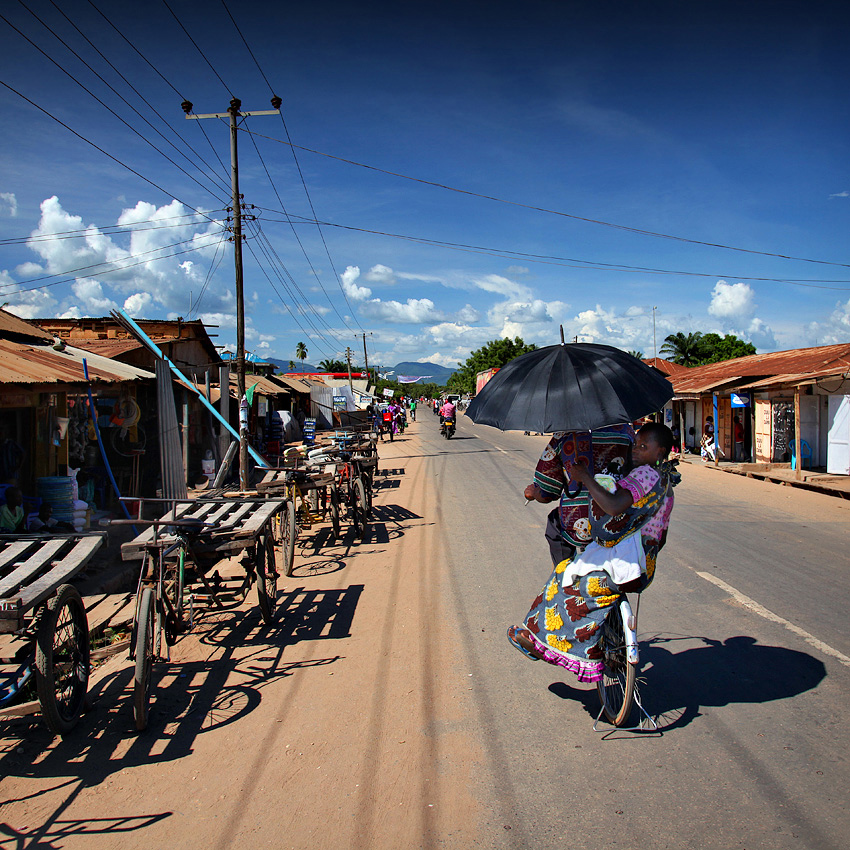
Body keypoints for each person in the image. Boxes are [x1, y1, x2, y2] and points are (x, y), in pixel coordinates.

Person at [507, 423, 679, 683]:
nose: (637, 450)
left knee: (564, 575)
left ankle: (548, 642)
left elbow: (549, 489)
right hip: (641, 556)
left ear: (660, 451)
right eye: (638, 446)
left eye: (643, 447)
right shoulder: (633, 441)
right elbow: (659, 533)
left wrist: (576, 478)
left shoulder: (566, 438)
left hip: (604, 536)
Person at [523, 425, 635, 567]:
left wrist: (533, 493)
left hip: (579, 519)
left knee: (555, 523)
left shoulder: (565, 434)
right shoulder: (626, 431)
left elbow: (548, 492)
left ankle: (560, 573)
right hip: (620, 515)